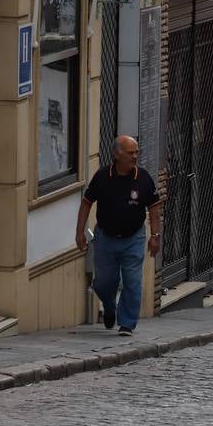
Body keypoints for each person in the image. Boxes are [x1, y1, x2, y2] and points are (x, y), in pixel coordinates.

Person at [76, 135, 162, 336]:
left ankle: (126, 323)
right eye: (131, 153)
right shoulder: (103, 177)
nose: (135, 156)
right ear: (117, 154)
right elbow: (86, 203)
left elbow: (155, 208)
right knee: (103, 283)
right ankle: (109, 306)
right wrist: (79, 232)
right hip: (105, 238)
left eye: (136, 152)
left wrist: (155, 235)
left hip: (134, 238)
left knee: (132, 281)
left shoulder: (143, 178)